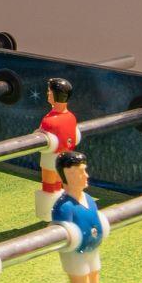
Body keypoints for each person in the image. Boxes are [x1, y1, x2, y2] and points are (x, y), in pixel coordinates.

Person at [49, 148, 109, 283]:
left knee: (94, 282)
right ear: (68, 175)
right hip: (76, 255)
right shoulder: (64, 207)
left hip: (92, 249)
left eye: (85, 170)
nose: (86, 176)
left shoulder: (89, 199)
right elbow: (62, 234)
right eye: (81, 172)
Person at [36, 77, 79, 220]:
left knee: (49, 187)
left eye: (49, 91)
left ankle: (48, 214)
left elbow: (40, 137)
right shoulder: (71, 117)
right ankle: (59, 212)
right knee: (58, 186)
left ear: (56, 95)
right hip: (64, 158)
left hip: (50, 158)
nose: (47, 94)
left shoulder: (49, 121)